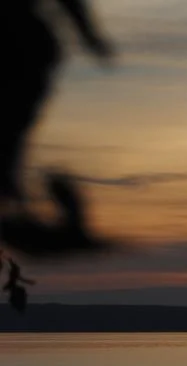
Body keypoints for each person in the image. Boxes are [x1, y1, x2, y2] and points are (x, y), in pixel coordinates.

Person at [0, 0, 113, 211]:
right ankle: (10, 192)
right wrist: (90, 38)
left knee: (14, 125)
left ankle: (10, 193)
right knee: (14, 126)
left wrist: (90, 38)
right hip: (24, 44)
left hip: (25, 45)